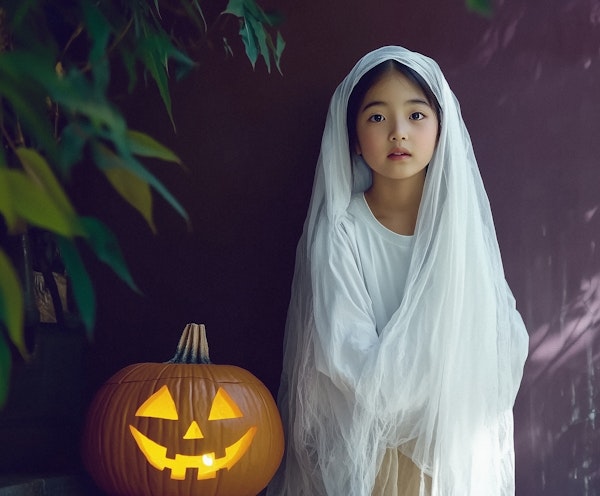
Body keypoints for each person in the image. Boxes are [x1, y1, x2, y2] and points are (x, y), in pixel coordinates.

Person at [267, 46, 529, 496]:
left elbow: (499, 342)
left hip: (453, 430)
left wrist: (442, 410)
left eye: (416, 115)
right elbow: (345, 355)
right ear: (351, 137)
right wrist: (418, 396)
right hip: (368, 434)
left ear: (441, 128)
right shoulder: (342, 231)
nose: (398, 133)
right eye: (376, 117)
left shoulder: (458, 227)